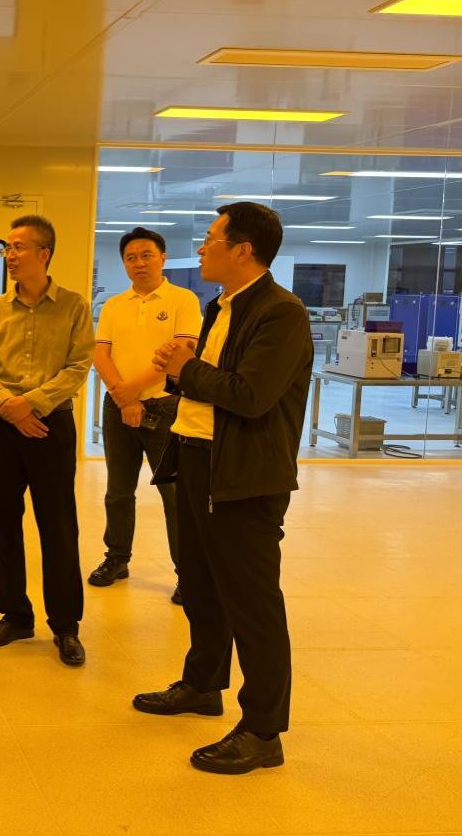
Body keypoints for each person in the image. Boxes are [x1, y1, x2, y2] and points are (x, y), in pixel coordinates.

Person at [132, 201, 312, 775]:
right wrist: (180, 369)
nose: (202, 248)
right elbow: (212, 382)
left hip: (244, 476)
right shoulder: (223, 305)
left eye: (211, 239)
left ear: (243, 249)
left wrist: (185, 368)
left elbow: (251, 395)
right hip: (198, 457)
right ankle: (203, 684)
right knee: (201, 585)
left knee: (253, 603)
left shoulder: (281, 313)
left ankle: (263, 730)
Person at [0, 214, 94, 667]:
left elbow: (79, 366)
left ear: (44, 254)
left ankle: (66, 625)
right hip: (2, 427)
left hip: (50, 427)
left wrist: (32, 404)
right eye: (7, 247)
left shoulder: (74, 306)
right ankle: (15, 616)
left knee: (58, 526)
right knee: (4, 523)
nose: (10, 255)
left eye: (18, 247)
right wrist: (9, 406)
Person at [88, 227, 201, 604]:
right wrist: (123, 398)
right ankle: (116, 558)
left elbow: (180, 354)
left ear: (163, 258)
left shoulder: (183, 300)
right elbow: (100, 354)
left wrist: (130, 392)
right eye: (131, 257)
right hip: (118, 406)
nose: (139, 263)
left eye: (147, 255)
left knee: (174, 494)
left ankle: (188, 573)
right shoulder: (114, 305)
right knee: (118, 491)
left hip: (165, 407)